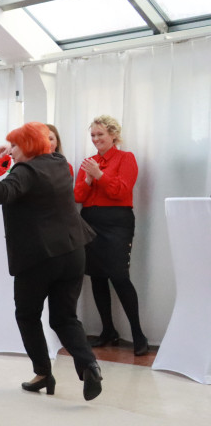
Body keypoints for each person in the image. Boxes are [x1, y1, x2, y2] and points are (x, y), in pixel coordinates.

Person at [0, 122, 103, 402]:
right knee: (65, 317)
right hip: (73, 251)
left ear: (26, 147)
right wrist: (6, 155)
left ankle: (43, 373)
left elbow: (2, 192)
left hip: (39, 257)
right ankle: (89, 365)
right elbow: (9, 178)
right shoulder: (58, 162)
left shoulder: (26, 171)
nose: (10, 149)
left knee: (27, 314)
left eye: (13, 145)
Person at [74, 115, 148, 356]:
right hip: (90, 221)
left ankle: (138, 333)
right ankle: (108, 330)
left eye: (100, 135)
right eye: (93, 135)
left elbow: (121, 190)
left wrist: (100, 175)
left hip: (117, 222)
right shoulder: (89, 162)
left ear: (113, 135)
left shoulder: (126, 158)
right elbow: (78, 196)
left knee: (119, 276)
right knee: (96, 276)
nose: (96, 139)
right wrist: (88, 177)